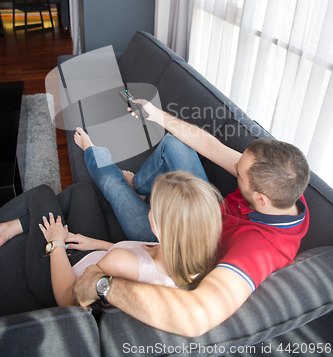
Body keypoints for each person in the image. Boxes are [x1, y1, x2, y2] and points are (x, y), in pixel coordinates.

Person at [72, 99, 310, 337]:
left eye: (239, 172)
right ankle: (140, 185)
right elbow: (210, 145)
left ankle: (93, 152)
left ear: (261, 200)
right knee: (174, 143)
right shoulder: (284, 184)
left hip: (180, 237)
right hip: (201, 207)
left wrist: (103, 285)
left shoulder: (261, 249)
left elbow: (196, 317)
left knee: (114, 187)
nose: (234, 165)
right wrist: (157, 115)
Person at [0, 171, 222, 308]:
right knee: (82, 191)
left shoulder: (121, 261)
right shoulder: (187, 255)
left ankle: (7, 226)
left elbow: (68, 299)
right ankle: (14, 226)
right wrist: (94, 243)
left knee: (41, 194)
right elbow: (135, 256)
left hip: (56, 277)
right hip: (93, 254)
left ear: (163, 228)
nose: (148, 209)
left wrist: (56, 242)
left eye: (152, 207)